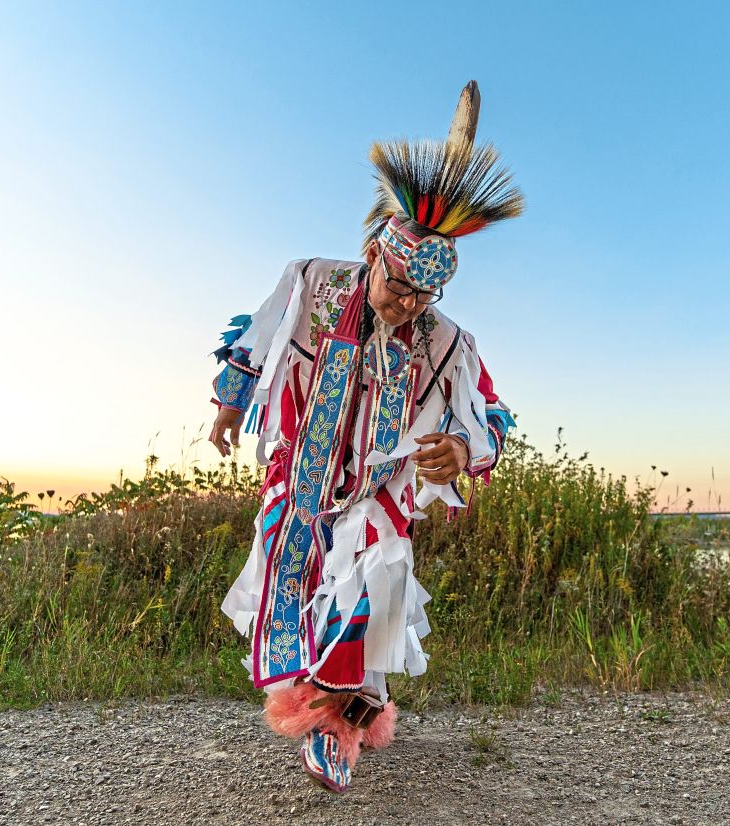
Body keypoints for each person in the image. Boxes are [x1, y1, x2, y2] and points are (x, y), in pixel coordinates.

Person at [207, 81, 522, 793]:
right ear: (376, 255)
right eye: (399, 286)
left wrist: (463, 450)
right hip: (300, 477)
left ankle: (335, 729)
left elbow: (490, 414)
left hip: (379, 494)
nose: (406, 304)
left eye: (422, 296)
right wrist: (230, 405)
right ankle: (337, 707)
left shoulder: (444, 341)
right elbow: (253, 341)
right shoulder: (316, 284)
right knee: (293, 591)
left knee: (371, 597)